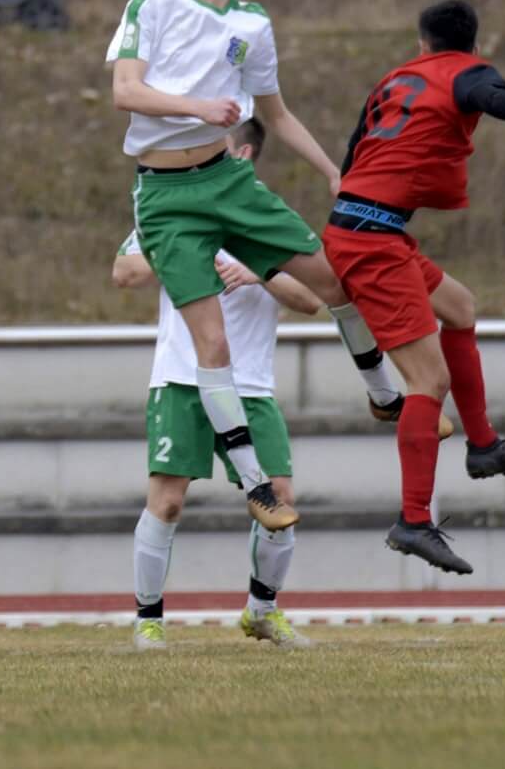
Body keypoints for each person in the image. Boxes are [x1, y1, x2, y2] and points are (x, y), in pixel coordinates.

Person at [107, 0, 419, 533]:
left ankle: (384, 392)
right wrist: (200, 109)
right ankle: (255, 484)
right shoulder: (153, 3)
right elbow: (125, 91)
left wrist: (333, 170)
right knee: (213, 343)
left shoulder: (250, 25)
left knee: (333, 277)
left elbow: (275, 115)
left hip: (227, 181)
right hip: (165, 198)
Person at [324, 0, 505, 574]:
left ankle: (484, 446)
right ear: (472, 43)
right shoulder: (467, 72)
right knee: (428, 379)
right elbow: (495, 100)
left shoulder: (396, 79)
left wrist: (349, 198)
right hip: (372, 236)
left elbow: (356, 143)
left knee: (460, 306)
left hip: (369, 225)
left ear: (422, 43)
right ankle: (414, 521)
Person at [112, 121, 320, 651]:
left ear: (242, 152)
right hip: (182, 380)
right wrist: (187, 254)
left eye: (212, 147)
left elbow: (311, 297)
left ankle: (262, 611)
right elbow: (124, 272)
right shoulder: (175, 206)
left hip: (250, 386)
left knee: (282, 499)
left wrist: (258, 269)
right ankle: (148, 621)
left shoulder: (261, 217)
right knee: (168, 501)